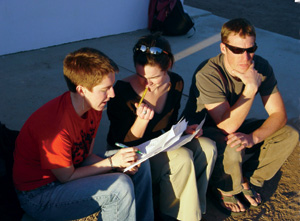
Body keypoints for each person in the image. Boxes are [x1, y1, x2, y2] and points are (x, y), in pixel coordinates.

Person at [13, 48, 154, 221]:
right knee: (119, 188)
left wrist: (119, 164)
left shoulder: (94, 106)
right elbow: (67, 177)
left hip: (70, 172)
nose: (112, 94)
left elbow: (85, 157)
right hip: (40, 195)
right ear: (81, 90)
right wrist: (112, 163)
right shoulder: (55, 127)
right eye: (106, 89)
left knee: (138, 160)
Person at [182, 18, 299, 216]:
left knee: (289, 134)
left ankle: (249, 179)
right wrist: (251, 88)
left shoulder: (260, 66)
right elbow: (226, 126)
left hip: (235, 128)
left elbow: (279, 115)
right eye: (237, 50)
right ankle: (225, 187)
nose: (245, 57)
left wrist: (253, 138)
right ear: (223, 48)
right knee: (233, 146)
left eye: (250, 49)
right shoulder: (208, 73)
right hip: (203, 133)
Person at [106, 33, 217, 221]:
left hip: (160, 145)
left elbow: (170, 124)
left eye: (154, 77)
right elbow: (122, 143)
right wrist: (141, 121)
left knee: (207, 147)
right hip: (133, 154)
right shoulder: (121, 92)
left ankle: (193, 206)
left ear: (169, 66)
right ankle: (175, 216)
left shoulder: (176, 83)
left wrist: (184, 130)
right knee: (182, 157)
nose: (147, 83)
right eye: (141, 75)